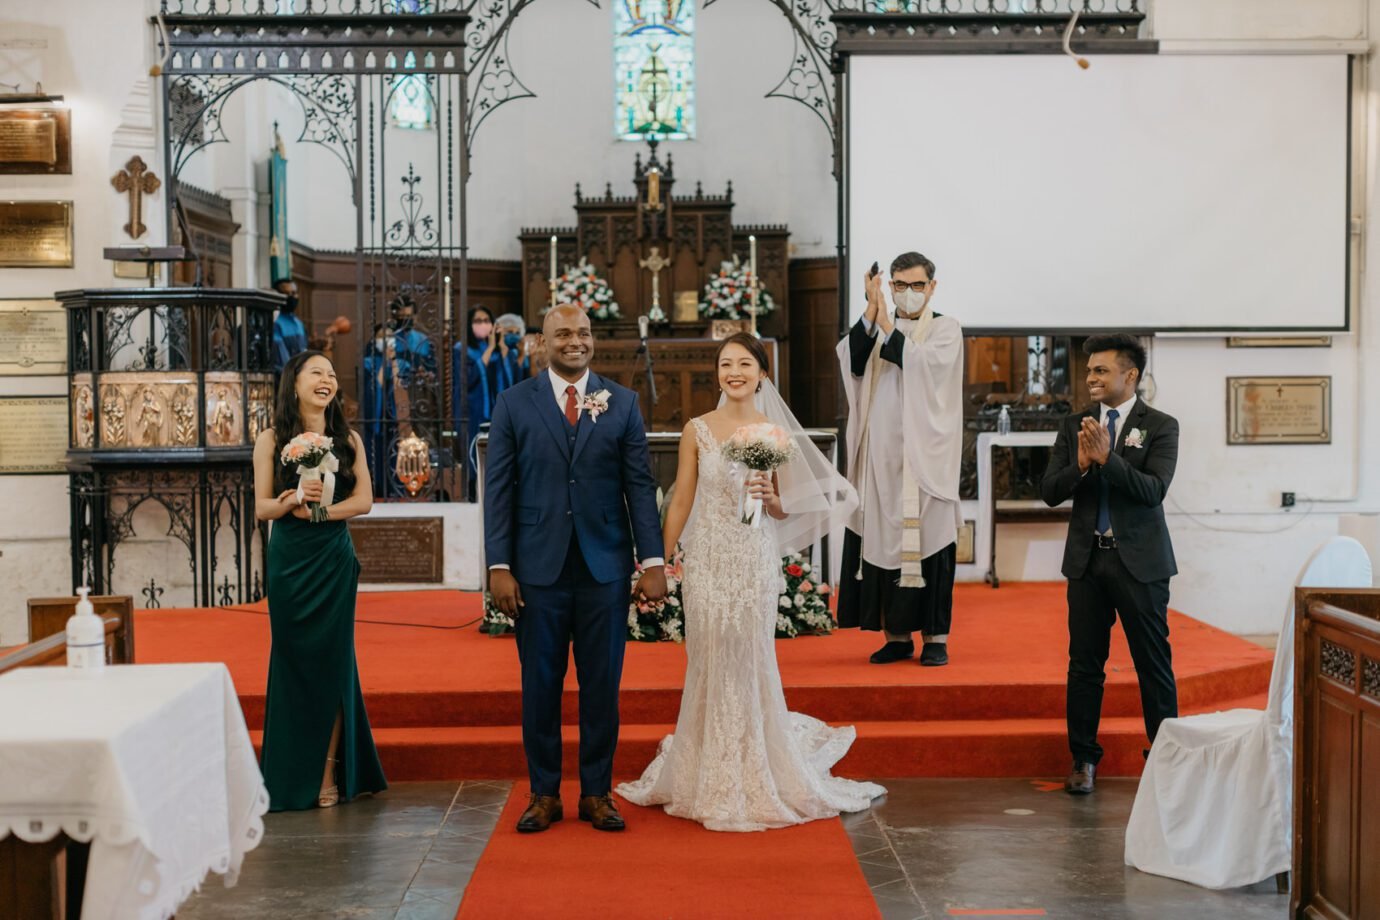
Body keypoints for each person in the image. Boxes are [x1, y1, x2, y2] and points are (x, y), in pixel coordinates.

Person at [618, 333, 883, 831]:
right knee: (710, 654)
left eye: (744, 363)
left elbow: (780, 508)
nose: (733, 371)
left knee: (749, 655)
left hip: (753, 558)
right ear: (717, 373)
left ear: (762, 373)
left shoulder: (771, 430)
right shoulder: (697, 429)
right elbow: (680, 500)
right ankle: (706, 766)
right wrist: (658, 559)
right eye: (725, 364)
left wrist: (770, 496)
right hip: (708, 560)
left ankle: (755, 762)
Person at [483, 304, 667, 833]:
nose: (575, 342)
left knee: (602, 686)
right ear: (542, 343)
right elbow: (499, 492)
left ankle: (595, 792)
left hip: (603, 566)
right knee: (539, 686)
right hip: (535, 569)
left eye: (583, 333)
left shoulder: (623, 403)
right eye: (562, 334)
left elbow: (638, 486)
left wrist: (652, 562)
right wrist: (499, 564)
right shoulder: (514, 403)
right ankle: (544, 793)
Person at [1039, 334, 1179, 796]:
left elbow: (1153, 490)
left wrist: (1108, 459)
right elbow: (1050, 491)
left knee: (1152, 664)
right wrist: (1081, 465)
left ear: (1130, 375)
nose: (1091, 378)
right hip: (1086, 562)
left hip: (1140, 564)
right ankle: (1083, 759)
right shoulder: (1073, 424)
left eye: (1101, 370)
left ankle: (1164, 757)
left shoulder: (1160, 425)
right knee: (1084, 666)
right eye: (1089, 371)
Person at [254, 350, 388, 811]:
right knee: (292, 661)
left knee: (333, 662)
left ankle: (329, 770)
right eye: (317, 372)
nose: (327, 379)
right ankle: (288, 771)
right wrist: (291, 498)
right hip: (290, 560)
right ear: (294, 383)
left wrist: (323, 512)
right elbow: (262, 507)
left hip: (331, 557)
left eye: (332, 373)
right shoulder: (271, 438)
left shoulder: (347, 438)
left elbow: (366, 500)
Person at [835, 252, 964, 666]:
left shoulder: (946, 328)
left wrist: (887, 324)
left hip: (926, 459)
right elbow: (852, 361)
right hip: (880, 457)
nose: (908, 294)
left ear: (932, 287)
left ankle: (936, 638)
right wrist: (872, 313)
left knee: (931, 544)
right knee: (884, 542)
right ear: (888, 286)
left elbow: (922, 365)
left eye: (917, 286)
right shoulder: (878, 327)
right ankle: (896, 636)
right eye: (899, 286)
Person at [271, 280, 308, 372]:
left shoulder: (299, 323)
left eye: (294, 293)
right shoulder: (275, 322)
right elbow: (281, 361)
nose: (291, 297)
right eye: (286, 293)